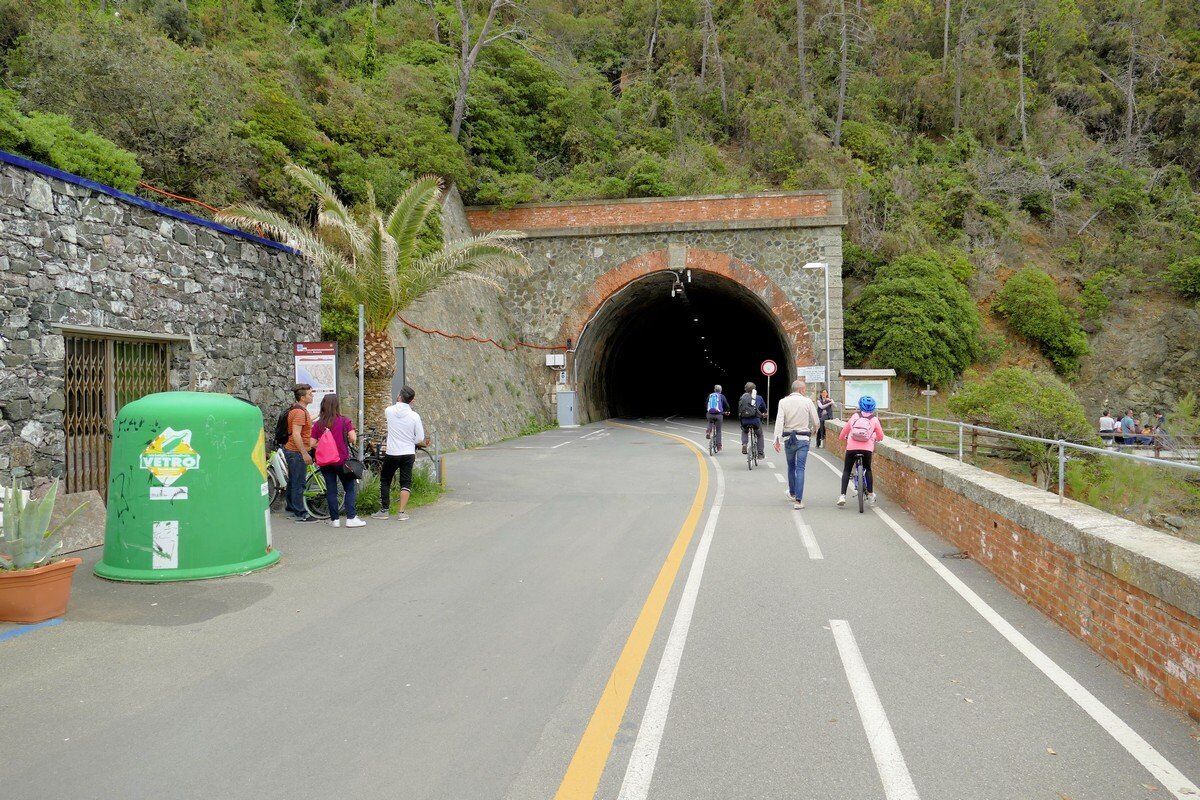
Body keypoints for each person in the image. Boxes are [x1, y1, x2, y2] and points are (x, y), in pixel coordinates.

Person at [374, 386, 429, 522]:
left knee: (385, 479)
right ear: (412, 400)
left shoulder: (389, 411)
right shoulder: (414, 416)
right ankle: (401, 512)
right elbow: (420, 438)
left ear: (399, 396)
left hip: (392, 452)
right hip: (408, 452)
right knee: (405, 482)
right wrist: (411, 441)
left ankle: (384, 510)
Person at [311, 394, 365, 528]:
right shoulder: (344, 421)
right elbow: (353, 438)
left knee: (331, 490)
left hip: (325, 462)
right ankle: (351, 518)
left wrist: (325, 446)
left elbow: (312, 443)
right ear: (337, 405)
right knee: (349, 488)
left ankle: (334, 520)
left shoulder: (318, 424)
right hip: (341, 461)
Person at [773, 379, 820, 510]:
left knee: (791, 467)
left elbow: (779, 421)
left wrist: (776, 440)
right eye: (804, 389)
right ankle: (798, 501)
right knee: (800, 468)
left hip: (789, 438)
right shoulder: (807, 401)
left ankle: (792, 493)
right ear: (801, 389)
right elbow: (816, 421)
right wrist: (814, 430)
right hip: (803, 438)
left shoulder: (783, 402)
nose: (805, 391)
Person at [837, 395, 884, 507]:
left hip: (852, 448)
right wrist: (875, 438)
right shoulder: (874, 420)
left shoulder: (854, 416)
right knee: (868, 469)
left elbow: (845, 431)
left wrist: (842, 437)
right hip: (867, 449)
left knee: (847, 470)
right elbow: (881, 436)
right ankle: (871, 494)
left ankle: (842, 496)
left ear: (860, 406)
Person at [284, 383, 317, 523]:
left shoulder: (298, 409)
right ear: (303, 397)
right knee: (299, 483)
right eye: (310, 394)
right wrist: (304, 453)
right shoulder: (299, 412)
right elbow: (296, 434)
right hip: (296, 452)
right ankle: (301, 513)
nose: (312, 396)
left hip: (292, 450)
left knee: (293, 480)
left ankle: (291, 508)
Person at [737, 381, 767, 458]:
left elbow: (740, 409)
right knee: (759, 435)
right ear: (754, 389)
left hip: (744, 421)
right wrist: (764, 414)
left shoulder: (742, 398)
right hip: (755, 421)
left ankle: (744, 444)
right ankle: (760, 453)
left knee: (744, 431)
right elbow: (764, 409)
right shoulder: (759, 397)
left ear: (745, 389)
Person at [704, 384, 730, 451]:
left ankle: (708, 432)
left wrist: (709, 410)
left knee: (710, 421)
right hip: (719, 415)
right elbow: (727, 405)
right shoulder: (722, 396)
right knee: (718, 430)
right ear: (721, 390)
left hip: (710, 414)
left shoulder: (710, 395)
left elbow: (706, 404)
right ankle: (719, 446)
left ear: (714, 390)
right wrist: (727, 411)